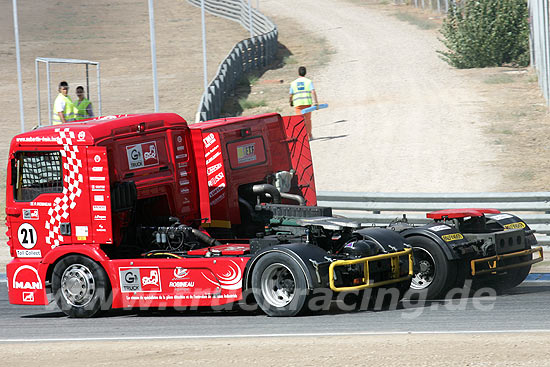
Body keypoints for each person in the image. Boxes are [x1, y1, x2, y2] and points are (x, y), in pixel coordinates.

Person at [289, 66, 318, 139]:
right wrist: (316, 102)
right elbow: (313, 91)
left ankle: (302, 137)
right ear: (305, 73)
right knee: (308, 120)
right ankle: (309, 135)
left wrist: (291, 101)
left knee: (300, 120)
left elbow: (290, 94)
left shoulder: (293, 83)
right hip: (307, 104)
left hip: (298, 104)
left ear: (298, 72)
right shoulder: (308, 81)